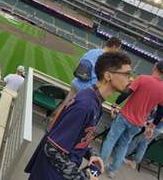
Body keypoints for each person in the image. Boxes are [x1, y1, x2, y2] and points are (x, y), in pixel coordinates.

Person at [25, 51, 132, 180]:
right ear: (108, 76)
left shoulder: (93, 100)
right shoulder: (85, 105)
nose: (131, 79)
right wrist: (82, 177)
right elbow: (52, 148)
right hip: (49, 174)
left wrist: (91, 154)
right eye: (126, 74)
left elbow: (77, 139)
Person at [101, 60, 163, 178]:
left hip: (125, 116)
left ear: (155, 67)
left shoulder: (142, 78)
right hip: (139, 123)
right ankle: (113, 170)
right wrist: (153, 126)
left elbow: (126, 93)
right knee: (124, 145)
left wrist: (115, 103)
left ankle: (100, 165)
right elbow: (161, 112)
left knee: (111, 139)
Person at [64, 37, 121, 104]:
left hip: (75, 83)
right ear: (114, 47)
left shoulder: (93, 51)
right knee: (72, 111)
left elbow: (78, 65)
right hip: (85, 90)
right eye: (118, 49)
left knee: (64, 106)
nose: (117, 51)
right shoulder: (107, 59)